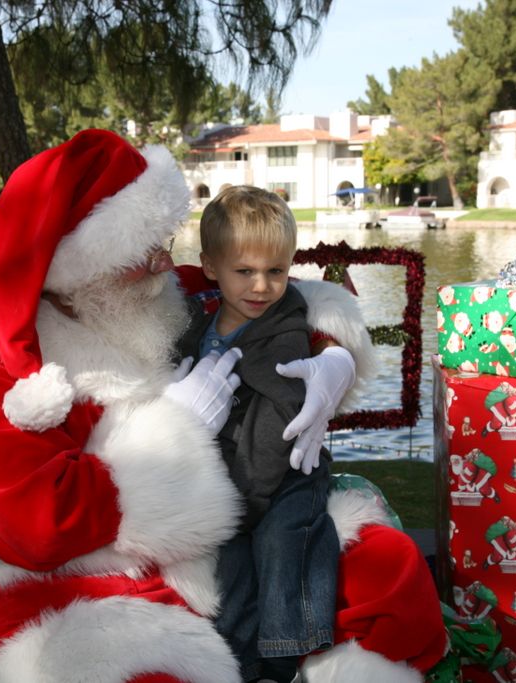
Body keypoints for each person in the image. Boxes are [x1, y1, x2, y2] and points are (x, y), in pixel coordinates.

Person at [0, 129, 447, 682]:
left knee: (391, 570)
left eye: (163, 242)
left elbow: (281, 288)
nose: (160, 266)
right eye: (139, 252)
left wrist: (334, 355)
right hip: (89, 576)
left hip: (235, 532)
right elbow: (40, 523)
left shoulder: (154, 288)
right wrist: (177, 431)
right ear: (71, 262)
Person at [175, 186, 341, 682]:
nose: (262, 287)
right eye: (244, 272)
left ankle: (284, 654)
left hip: (283, 474)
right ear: (210, 267)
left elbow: (281, 421)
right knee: (229, 566)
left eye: (276, 271)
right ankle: (239, 660)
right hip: (229, 473)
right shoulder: (198, 322)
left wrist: (249, 497)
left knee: (283, 544)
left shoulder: (281, 331)